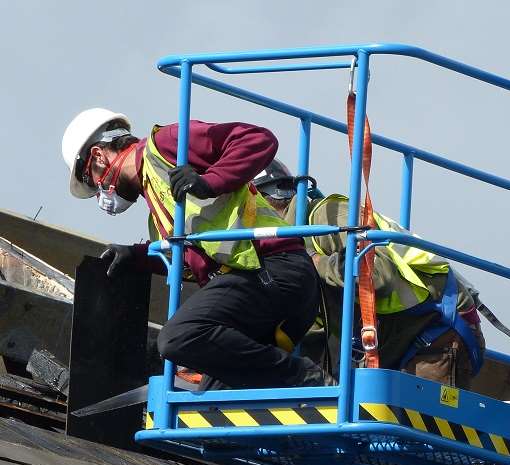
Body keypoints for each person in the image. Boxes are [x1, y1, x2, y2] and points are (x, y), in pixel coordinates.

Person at [61, 108, 329, 391]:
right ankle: (292, 405)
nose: (99, 193)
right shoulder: (159, 210)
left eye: (92, 181)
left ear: (98, 156)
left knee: (178, 337)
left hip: (274, 269)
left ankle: (306, 378)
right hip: (255, 289)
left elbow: (259, 139)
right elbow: (187, 259)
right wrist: (136, 255)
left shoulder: (166, 144)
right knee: (210, 404)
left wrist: (209, 181)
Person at [253, 162, 486, 389]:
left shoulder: (325, 218)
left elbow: (375, 273)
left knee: (422, 424)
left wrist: (314, 262)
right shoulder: (287, 248)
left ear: (259, 200)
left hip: (436, 332)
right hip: (395, 342)